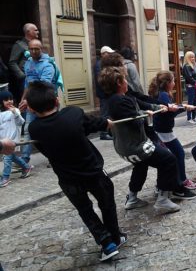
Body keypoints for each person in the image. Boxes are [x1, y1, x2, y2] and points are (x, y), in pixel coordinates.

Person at [26, 81, 126, 261]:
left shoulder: (34, 129)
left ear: (31, 109)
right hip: (93, 172)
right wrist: (106, 123)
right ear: (57, 101)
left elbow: (45, 149)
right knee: (107, 204)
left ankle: (106, 242)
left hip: (68, 179)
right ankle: (115, 237)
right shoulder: (73, 113)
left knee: (86, 210)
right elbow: (95, 124)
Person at [98, 66, 196, 212]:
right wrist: (145, 113)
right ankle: (163, 199)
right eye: (125, 79)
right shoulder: (120, 101)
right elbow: (136, 120)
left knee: (141, 165)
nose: (127, 82)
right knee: (169, 159)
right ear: (119, 82)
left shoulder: (118, 99)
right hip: (135, 145)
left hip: (126, 146)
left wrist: (161, 107)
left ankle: (132, 198)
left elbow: (143, 104)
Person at [148, 71, 196, 190]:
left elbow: (172, 107)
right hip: (163, 131)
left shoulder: (162, 94)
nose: (175, 83)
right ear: (167, 83)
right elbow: (171, 110)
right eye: (173, 81)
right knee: (178, 154)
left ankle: (164, 184)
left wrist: (183, 106)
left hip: (163, 130)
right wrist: (185, 107)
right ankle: (181, 180)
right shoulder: (163, 95)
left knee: (171, 156)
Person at [19, 39, 55, 165]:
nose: (34, 51)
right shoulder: (28, 63)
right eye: (31, 49)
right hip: (31, 102)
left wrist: (28, 101)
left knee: (49, 131)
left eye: (37, 49)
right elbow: (27, 83)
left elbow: (43, 87)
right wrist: (23, 99)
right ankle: (24, 159)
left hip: (46, 103)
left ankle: (54, 157)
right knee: (28, 129)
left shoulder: (47, 65)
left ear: (42, 49)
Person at [0, 91, 32, 188]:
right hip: (3, 140)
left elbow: (21, 122)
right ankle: (26, 167)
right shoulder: (1, 114)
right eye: (6, 100)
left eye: (11, 99)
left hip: (12, 139)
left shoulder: (15, 111)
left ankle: (5, 177)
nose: (9, 101)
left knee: (7, 158)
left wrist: (15, 113)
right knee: (12, 156)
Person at [8, 23, 39, 103]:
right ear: (28, 32)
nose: (38, 32)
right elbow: (12, 63)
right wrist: (22, 76)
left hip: (36, 79)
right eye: (35, 30)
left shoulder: (36, 44)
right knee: (27, 103)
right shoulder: (20, 45)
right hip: (25, 81)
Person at [94, 46, 115, 140]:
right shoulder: (99, 64)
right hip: (104, 93)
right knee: (105, 113)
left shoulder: (102, 63)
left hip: (107, 92)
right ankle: (103, 133)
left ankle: (108, 131)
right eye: (108, 53)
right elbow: (101, 80)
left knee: (107, 112)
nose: (110, 55)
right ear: (103, 54)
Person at [182, 51, 196, 123]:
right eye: (191, 57)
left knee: (195, 102)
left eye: (193, 57)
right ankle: (189, 118)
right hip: (190, 86)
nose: (193, 58)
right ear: (188, 58)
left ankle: (194, 117)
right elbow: (189, 77)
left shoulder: (193, 65)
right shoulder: (186, 66)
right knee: (190, 102)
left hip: (194, 85)